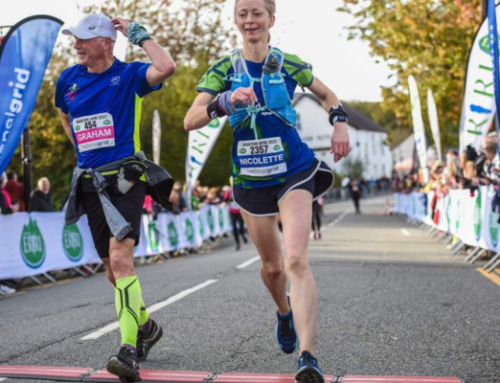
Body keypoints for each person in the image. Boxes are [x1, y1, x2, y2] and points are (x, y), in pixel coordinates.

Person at [184, 1, 350, 381]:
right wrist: (223, 101)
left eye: (257, 12)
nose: (250, 19)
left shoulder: (287, 62)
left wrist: (339, 124)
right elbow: (190, 120)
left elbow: (328, 95)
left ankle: (307, 357)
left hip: (293, 170)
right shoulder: (223, 70)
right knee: (274, 268)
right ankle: (283, 311)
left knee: (295, 259)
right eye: (243, 13)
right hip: (249, 178)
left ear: (270, 20)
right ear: (236, 22)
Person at [55, 13, 175, 382]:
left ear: (106, 43)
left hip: (125, 180)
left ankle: (127, 349)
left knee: (122, 260)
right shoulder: (67, 80)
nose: (75, 44)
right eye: (74, 38)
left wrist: (140, 35)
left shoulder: (129, 76)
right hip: (90, 183)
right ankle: (147, 326)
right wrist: (83, 152)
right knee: (112, 271)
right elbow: (64, 114)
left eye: (83, 39)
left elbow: (166, 66)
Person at [224, 177, 248, 251]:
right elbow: (225, 199)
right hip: (232, 210)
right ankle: (237, 243)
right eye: (231, 181)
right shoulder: (228, 191)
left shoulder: (240, 188)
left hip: (240, 210)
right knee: (234, 228)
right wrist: (227, 201)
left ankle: (243, 235)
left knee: (241, 227)